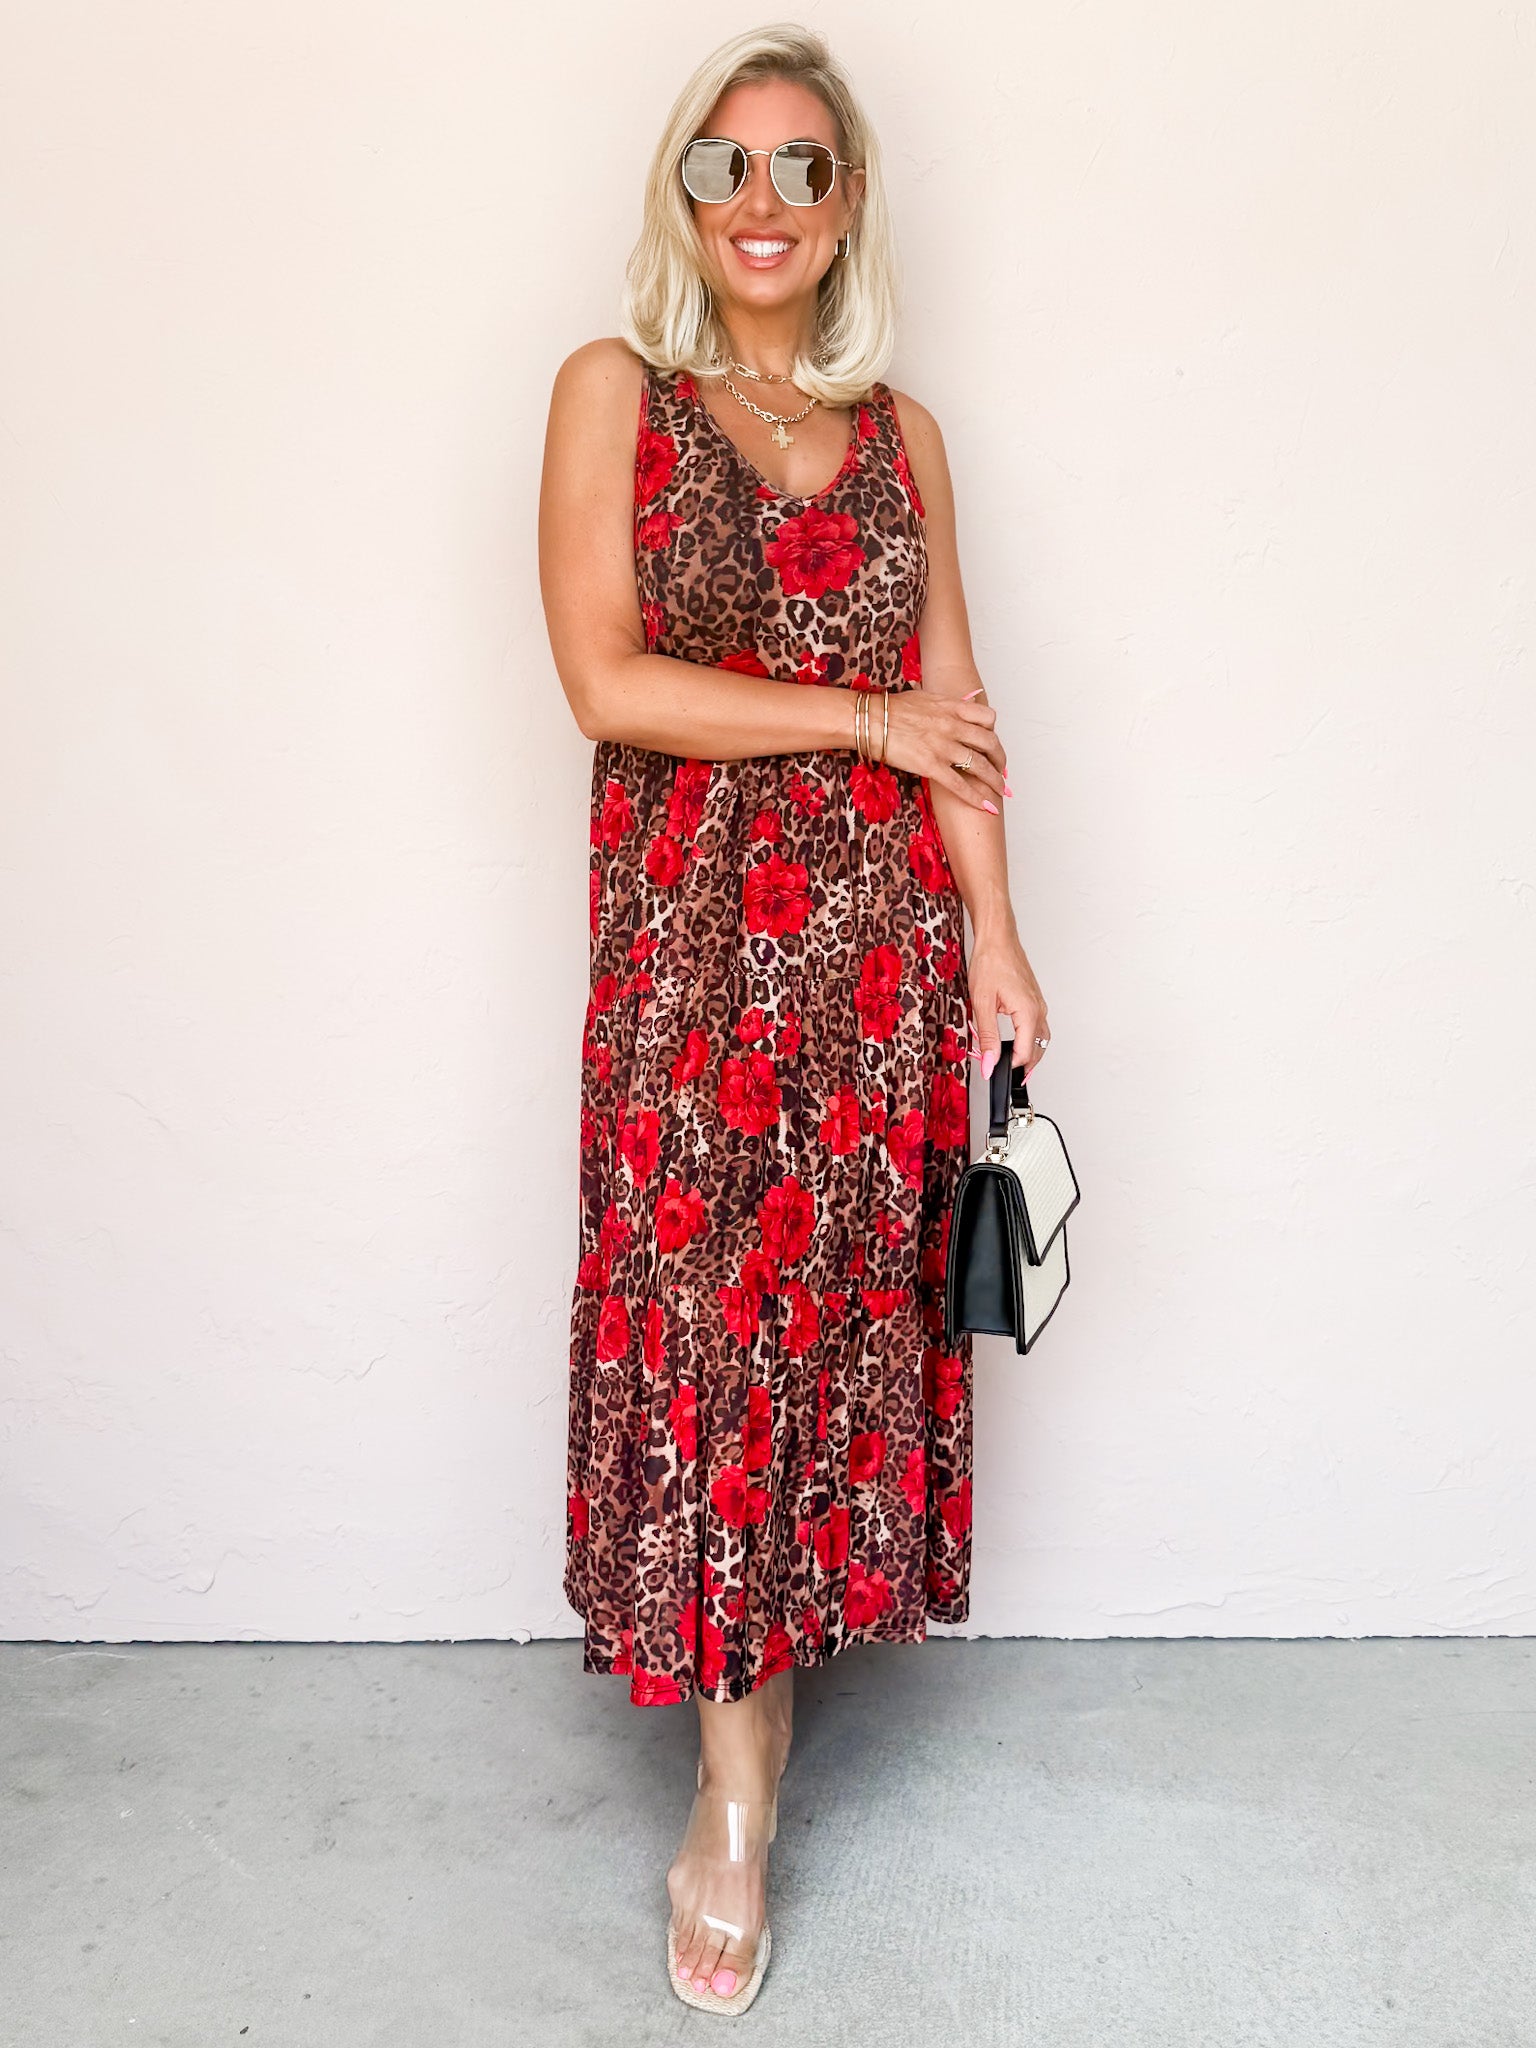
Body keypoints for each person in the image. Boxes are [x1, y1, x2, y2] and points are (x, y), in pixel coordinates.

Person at [537, 22, 1049, 2015]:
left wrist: (997, 934)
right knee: (706, 1346)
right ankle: (730, 1794)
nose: (762, 201)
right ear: (683, 198)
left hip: (875, 982)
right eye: (725, 164)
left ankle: (771, 1695)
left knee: (824, 1339)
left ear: (847, 212)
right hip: (689, 978)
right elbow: (606, 681)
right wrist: (859, 717)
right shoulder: (615, 394)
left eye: (802, 169)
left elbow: (961, 714)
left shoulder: (907, 437)